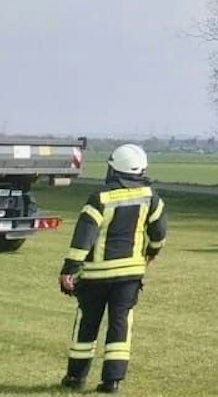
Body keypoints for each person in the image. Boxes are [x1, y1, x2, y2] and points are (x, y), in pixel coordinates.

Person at [59, 144, 167, 394]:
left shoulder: (99, 198)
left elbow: (83, 237)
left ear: (113, 168)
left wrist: (70, 268)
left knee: (87, 324)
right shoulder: (151, 198)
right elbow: (159, 232)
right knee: (120, 323)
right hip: (129, 275)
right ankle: (112, 381)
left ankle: (75, 378)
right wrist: (151, 252)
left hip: (95, 276)